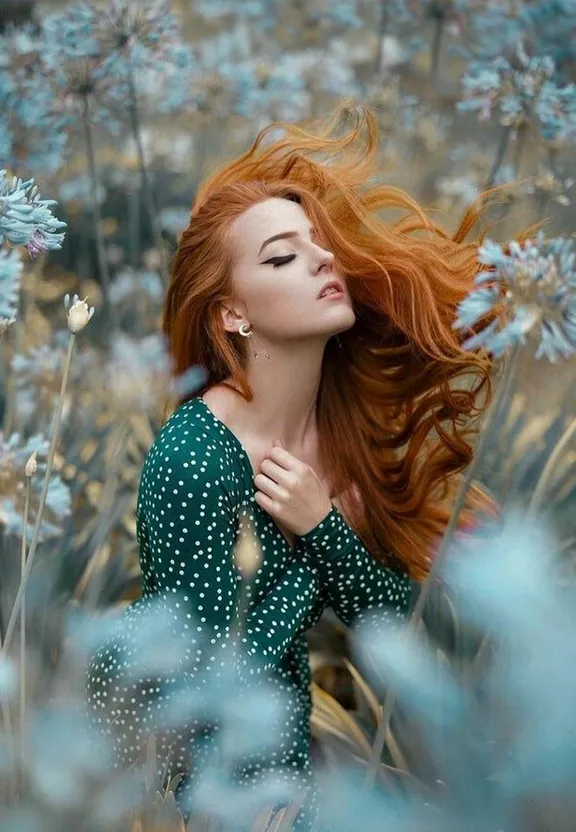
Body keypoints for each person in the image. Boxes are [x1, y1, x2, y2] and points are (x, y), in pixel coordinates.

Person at [86, 103, 509, 830]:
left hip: (280, 761)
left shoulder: (336, 431)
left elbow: (394, 624)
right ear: (232, 316)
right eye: (281, 256)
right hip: (156, 774)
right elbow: (206, 679)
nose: (320, 260)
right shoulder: (195, 461)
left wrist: (324, 528)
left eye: (319, 247)